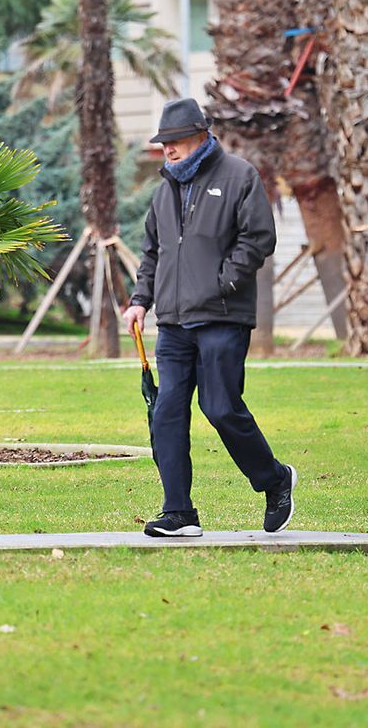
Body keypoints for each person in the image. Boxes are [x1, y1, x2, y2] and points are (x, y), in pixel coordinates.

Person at [123, 98, 296, 537]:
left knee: (220, 408)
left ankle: (274, 479)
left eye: (175, 141)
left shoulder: (238, 175)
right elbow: (152, 253)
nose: (169, 150)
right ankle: (179, 513)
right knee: (166, 413)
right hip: (175, 324)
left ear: (201, 134)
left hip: (223, 316)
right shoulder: (164, 192)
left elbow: (259, 237)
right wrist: (141, 300)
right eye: (163, 143)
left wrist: (224, 281)